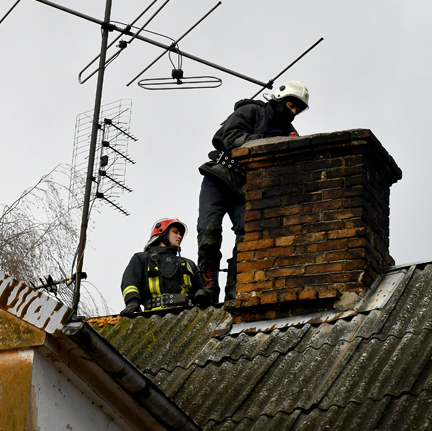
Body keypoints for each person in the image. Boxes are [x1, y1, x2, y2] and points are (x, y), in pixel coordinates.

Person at [195, 80, 311, 303]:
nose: (293, 111)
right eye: (291, 104)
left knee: (248, 235)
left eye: (298, 109)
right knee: (208, 231)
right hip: (219, 177)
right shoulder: (251, 111)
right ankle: (208, 288)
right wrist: (269, 142)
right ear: (279, 98)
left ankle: (235, 288)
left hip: (247, 188)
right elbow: (229, 138)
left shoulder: (291, 134)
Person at [120, 218, 203, 315]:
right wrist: (132, 301)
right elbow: (129, 282)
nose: (179, 236)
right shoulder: (142, 259)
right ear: (162, 233)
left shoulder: (189, 264)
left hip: (187, 315)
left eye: (180, 234)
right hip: (153, 316)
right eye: (175, 232)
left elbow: (200, 291)